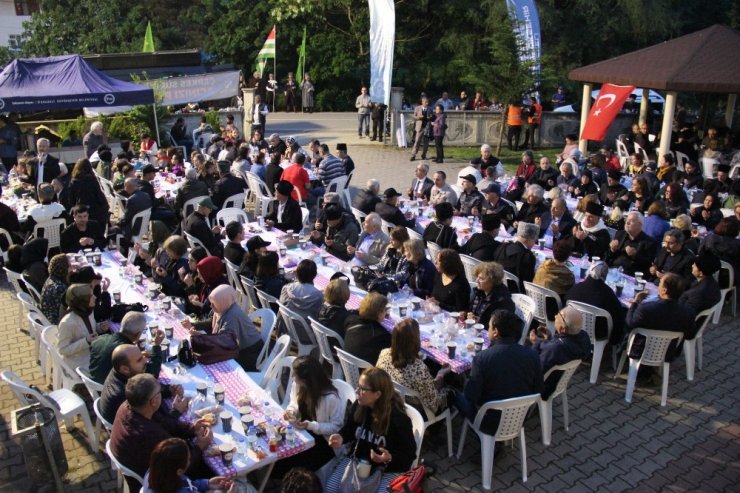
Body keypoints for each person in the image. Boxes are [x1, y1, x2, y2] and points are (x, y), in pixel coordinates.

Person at [110, 374, 213, 492]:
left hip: (140, 464)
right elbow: (182, 467)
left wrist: (191, 428)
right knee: (209, 467)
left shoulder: (128, 406)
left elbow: (163, 421)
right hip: (155, 480)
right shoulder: (151, 436)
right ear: (154, 401)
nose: (163, 392)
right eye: (160, 391)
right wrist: (200, 446)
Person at [326, 367, 416, 492]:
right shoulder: (359, 405)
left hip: (387, 470)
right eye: (358, 386)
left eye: (363, 389)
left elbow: (409, 455)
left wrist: (388, 458)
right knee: (330, 489)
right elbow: (350, 428)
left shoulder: (399, 420)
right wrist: (341, 437)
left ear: (377, 394)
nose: (357, 391)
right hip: (357, 461)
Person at [455, 309, 543, 434]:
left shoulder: (482, 358)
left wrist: (466, 381)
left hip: (489, 422)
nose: (488, 330)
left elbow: (470, 396)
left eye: (489, 327)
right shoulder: (532, 355)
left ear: (495, 332)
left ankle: (480, 439)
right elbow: (539, 389)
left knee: (454, 394)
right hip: (519, 419)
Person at [272, 357, 346, 477]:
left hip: (324, 442)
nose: (292, 378)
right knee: (275, 451)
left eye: (295, 375)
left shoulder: (331, 398)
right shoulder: (299, 385)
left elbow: (336, 427)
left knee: (285, 465)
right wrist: (291, 411)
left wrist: (311, 425)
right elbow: (294, 402)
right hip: (304, 434)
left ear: (307, 380)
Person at [377, 318, 450, 413]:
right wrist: (441, 374)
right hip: (417, 411)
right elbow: (434, 404)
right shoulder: (419, 368)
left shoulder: (384, 354)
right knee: (452, 391)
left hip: (393, 400)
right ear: (414, 341)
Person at [626, 273, 695, 364]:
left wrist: (635, 303)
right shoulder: (689, 312)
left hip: (641, 351)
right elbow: (690, 335)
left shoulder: (646, 308)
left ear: (664, 290)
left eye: (660, 283)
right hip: (668, 352)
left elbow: (629, 324)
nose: (658, 285)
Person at [197, 285, 263, 371]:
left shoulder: (232, 315)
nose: (211, 306)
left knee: (221, 367)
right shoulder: (224, 308)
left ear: (223, 301)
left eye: (214, 303)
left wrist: (201, 337)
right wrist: (194, 325)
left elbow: (223, 342)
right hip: (240, 347)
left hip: (250, 352)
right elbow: (212, 324)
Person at [529, 306, 590, 399]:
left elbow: (534, 369)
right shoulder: (584, 338)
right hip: (558, 383)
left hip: (542, 388)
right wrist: (549, 339)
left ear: (562, 329)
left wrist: (535, 344)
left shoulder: (554, 349)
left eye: (559, 315)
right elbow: (562, 348)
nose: (555, 316)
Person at [90, 311, 161, 384]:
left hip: (94, 381)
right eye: (143, 330)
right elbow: (152, 375)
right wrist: (156, 345)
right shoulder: (127, 352)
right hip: (114, 390)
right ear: (137, 334)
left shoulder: (100, 339)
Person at [142, 438, 236, 493]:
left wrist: (207, 484)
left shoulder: (156, 471)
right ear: (179, 471)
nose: (189, 461)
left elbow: (187, 484)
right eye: (188, 459)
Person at [57, 284, 104, 372]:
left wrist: (100, 327)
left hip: (92, 353)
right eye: (91, 296)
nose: (95, 297)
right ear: (82, 301)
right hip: (79, 363)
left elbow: (89, 329)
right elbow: (63, 350)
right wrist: (85, 341)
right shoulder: (67, 323)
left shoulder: (88, 311)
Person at [343, 292, 392, 364]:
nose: (386, 312)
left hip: (347, 365)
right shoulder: (381, 334)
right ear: (378, 313)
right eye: (385, 309)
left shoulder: (351, 319)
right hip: (367, 371)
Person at [605, 211, 656, 276]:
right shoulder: (620, 234)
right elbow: (608, 256)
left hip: (631, 275)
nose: (627, 223)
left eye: (631, 221)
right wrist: (612, 249)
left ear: (640, 225)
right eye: (627, 220)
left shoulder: (649, 242)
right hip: (613, 270)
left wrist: (635, 255)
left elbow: (648, 265)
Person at [492, 222, 538, 291]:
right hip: (516, 293)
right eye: (534, 240)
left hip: (497, 287)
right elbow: (528, 283)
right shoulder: (528, 256)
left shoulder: (503, 246)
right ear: (529, 240)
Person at [470, 262, 514, 328]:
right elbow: (472, 310)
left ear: (492, 281)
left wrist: (481, 323)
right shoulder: (479, 292)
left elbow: (500, 327)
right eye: (477, 277)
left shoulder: (503, 301)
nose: (477, 281)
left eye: (481, 279)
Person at [68, 158, 109, 226]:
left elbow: (71, 200)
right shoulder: (92, 180)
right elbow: (99, 196)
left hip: (81, 210)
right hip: (94, 211)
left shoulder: (74, 181)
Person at [679, 252, 722, 316]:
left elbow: (684, 314)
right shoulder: (711, 282)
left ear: (701, 273)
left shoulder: (698, 293)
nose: (692, 265)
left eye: (695, 265)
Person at [40, 254, 69, 325]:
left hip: (48, 316)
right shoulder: (60, 287)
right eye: (69, 266)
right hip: (57, 323)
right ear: (63, 269)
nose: (71, 268)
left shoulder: (51, 278)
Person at [409, 95, 431, 161]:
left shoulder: (430, 109)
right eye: (425, 102)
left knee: (426, 143)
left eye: (427, 102)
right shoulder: (417, 108)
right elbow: (414, 116)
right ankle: (413, 155)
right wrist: (418, 117)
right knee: (417, 141)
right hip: (419, 127)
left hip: (427, 127)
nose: (427, 103)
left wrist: (430, 118)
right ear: (422, 102)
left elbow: (432, 116)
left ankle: (423, 155)